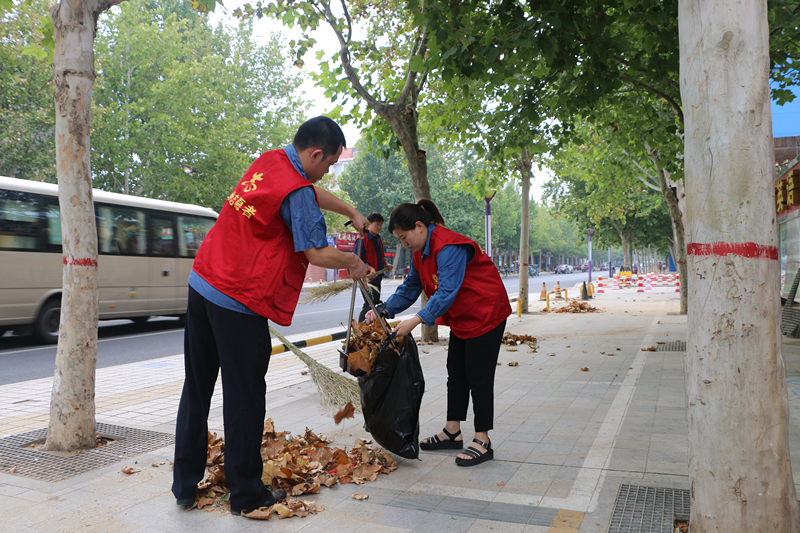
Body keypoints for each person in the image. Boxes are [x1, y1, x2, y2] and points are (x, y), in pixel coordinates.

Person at [172, 117, 370, 516]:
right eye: (329, 164)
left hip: (203, 281)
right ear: (316, 154)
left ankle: (184, 485)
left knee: (196, 386)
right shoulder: (297, 190)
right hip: (237, 298)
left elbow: (309, 189)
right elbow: (316, 252)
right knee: (244, 396)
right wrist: (353, 262)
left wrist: (349, 208)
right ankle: (247, 495)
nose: (327, 172)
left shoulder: (271, 161)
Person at [365, 200, 511, 467]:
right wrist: (384, 310)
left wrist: (415, 321)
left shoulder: (447, 246)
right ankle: (452, 432)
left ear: (419, 226)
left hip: (486, 311)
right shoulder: (421, 251)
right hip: (463, 316)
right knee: (456, 372)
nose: (403, 244)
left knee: (478, 376)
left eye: (404, 237)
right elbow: (411, 286)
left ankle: (483, 440)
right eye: (399, 240)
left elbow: (446, 292)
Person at [353, 212, 393, 322]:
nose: (379, 227)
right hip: (367, 278)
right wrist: (369, 267)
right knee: (369, 304)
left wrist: (386, 263)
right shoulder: (362, 239)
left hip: (377, 277)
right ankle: (361, 328)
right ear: (369, 224)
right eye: (377, 224)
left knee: (374, 304)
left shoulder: (378, 239)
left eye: (381, 225)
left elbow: (381, 255)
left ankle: (369, 327)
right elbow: (357, 259)